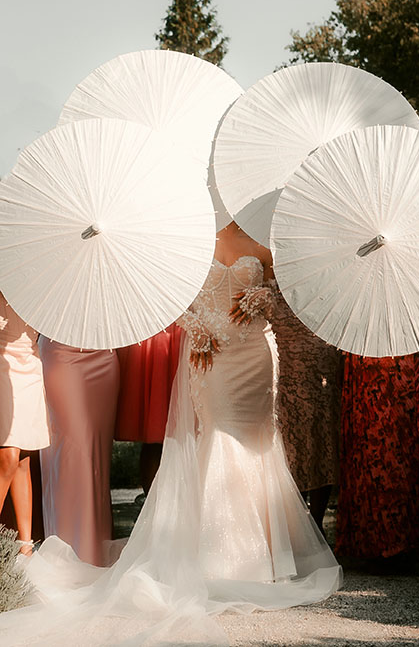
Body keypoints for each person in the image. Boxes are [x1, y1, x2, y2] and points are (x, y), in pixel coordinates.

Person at [0, 223, 341, 646]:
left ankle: (269, 554)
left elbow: (285, 295)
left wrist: (262, 298)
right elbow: (168, 298)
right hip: (211, 354)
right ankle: (220, 556)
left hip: (255, 354)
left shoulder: (262, 243)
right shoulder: (196, 242)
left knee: (258, 442)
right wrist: (196, 327)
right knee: (217, 436)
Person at [336, 351, 419, 563]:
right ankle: (401, 539)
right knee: (396, 443)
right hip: (398, 359)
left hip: (375, 358)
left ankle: (379, 539)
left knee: (378, 441)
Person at [39, 338, 119, 566]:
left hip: (104, 356)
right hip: (61, 355)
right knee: (70, 454)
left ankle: (96, 548)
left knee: (97, 458)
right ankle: (67, 550)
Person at [272, 290, 343, 533]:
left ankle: (315, 522)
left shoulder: (325, 286)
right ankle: (298, 522)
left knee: (322, 438)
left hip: (322, 360)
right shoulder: (273, 285)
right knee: (293, 443)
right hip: (286, 366)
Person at [0, 293, 50, 556]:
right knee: (8, 455)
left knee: (23, 459)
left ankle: (25, 547)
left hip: (30, 364)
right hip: (2, 364)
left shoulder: (39, 284)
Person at [115, 324, 182, 495]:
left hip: (174, 332)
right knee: (155, 433)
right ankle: (151, 504)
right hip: (155, 331)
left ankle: (166, 503)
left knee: (162, 435)